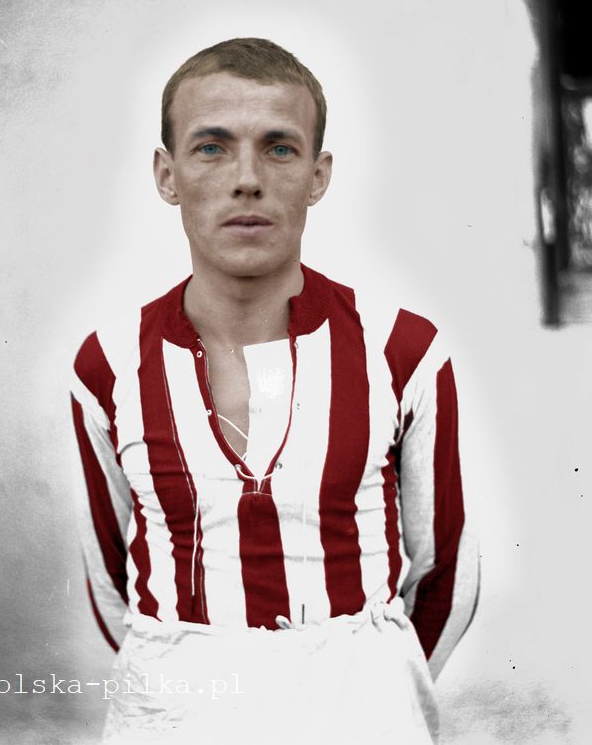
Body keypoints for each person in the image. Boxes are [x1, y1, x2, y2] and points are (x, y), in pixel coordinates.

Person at [70, 38, 479, 743]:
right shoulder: (108, 363)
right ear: (167, 175)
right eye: (211, 147)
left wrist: (372, 682)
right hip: (176, 712)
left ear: (318, 176)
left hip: (358, 709)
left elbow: (448, 565)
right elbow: (109, 573)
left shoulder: (400, 349)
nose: (247, 179)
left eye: (279, 148)